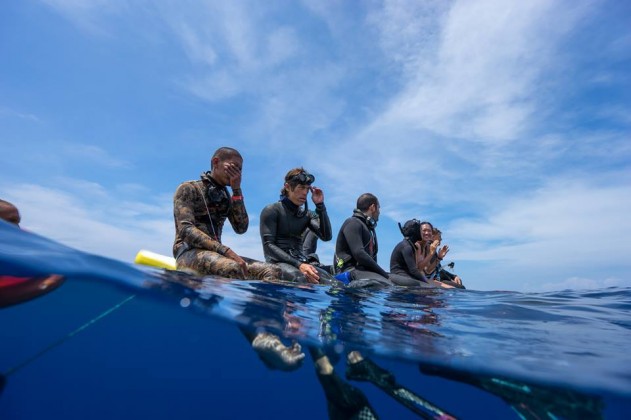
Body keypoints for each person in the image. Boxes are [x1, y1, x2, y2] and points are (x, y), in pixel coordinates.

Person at [172, 147, 280, 280]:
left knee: (272, 270)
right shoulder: (188, 188)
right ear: (216, 162)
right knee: (233, 268)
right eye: (234, 167)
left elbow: (241, 228)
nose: (237, 173)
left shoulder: (226, 197)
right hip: (188, 252)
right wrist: (226, 251)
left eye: (240, 170)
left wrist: (236, 191)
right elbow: (186, 230)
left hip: (218, 255)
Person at [260, 168, 334, 284]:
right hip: (278, 263)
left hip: (301, 262)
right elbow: (268, 247)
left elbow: (326, 236)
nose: (305, 193)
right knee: (300, 279)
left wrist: (320, 205)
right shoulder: (272, 210)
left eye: (306, 189)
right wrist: (299, 265)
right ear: (288, 187)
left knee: (334, 283)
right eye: (301, 188)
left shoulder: (307, 215)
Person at [389, 219, 451, 288]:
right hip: (401, 275)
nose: (426, 233)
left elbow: (427, 271)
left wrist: (439, 257)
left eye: (429, 231)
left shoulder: (418, 246)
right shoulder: (409, 246)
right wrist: (426, 282)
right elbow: (415, 270)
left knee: (450, 288)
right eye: (423, 230)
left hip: (412, 276)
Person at [415, 222, 464, 289]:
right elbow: (428, 270)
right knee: (460, 287)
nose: (440, 239)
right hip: (431, 279)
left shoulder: (433, 250)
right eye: (439, 237)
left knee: (459, 285)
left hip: (436, 278)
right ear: (432, 237)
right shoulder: (427, 248)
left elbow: (438, 269)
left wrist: (453, 276)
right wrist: (439, 257)